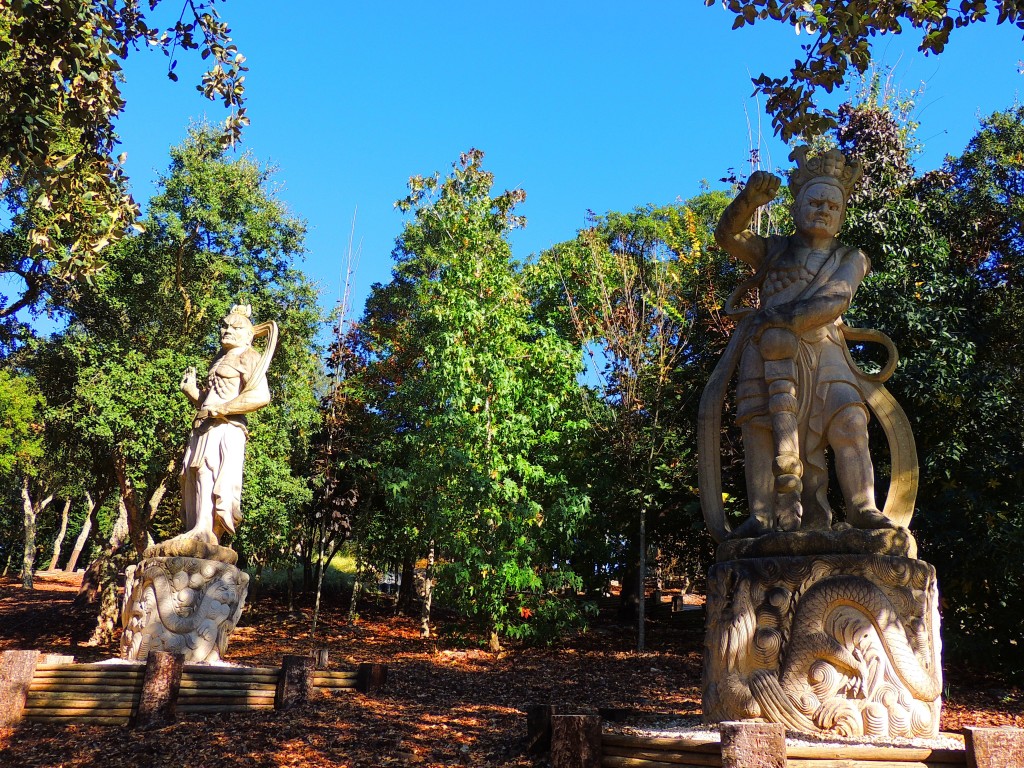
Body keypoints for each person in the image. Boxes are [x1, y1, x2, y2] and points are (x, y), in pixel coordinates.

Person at [710, 147, 896, 538]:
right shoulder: (774, 251)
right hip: (766, 352)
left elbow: (836, 300)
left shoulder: (851, 256)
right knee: (759, 430)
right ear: (796, 208)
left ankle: (863, 506)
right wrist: (748, 202)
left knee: (850, 421)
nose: (824, 209)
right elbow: (728, 236)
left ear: (842, 215)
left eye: (833, 204)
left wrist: (775, 318)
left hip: (825, 351)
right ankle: (762, 515)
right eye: (815, 201)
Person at [179, 305, 274, 541]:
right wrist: (192, 391)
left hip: (226, 426)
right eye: (224, 325)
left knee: (209, 470)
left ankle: (205, 530)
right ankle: (197, 527)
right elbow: (208, 400)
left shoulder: (250, 356)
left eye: (235, 327)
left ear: (249, 334)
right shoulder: (219, 358)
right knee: (192, 473)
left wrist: (221, 410)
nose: (227, 330)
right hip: (203, 425)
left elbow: (261, 396)